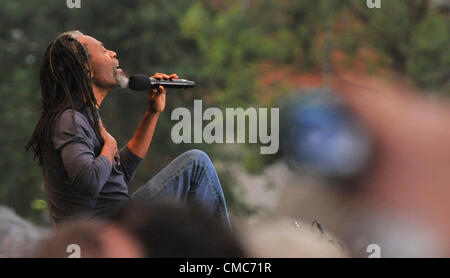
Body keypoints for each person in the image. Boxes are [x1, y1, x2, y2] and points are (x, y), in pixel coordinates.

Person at [25, 31, 230, 228]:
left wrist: (152, 112)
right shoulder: (70, 120)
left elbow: (119, 174)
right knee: (197, 163)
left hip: (117, 220)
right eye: (103, 50)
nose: (113, 53)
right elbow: (88, 181)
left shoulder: (83, 116)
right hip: (108, 233)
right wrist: (110, 146)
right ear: (86, 69)